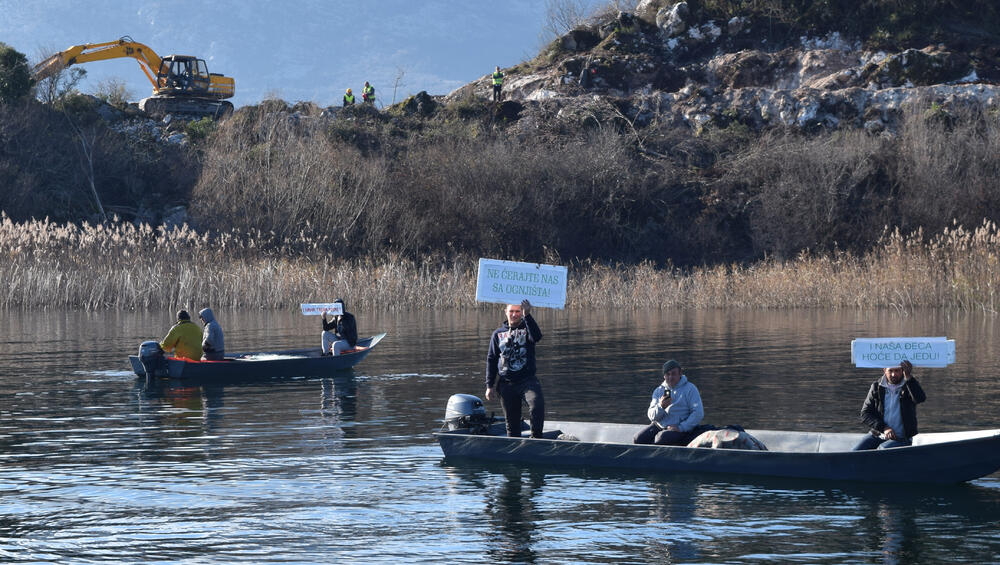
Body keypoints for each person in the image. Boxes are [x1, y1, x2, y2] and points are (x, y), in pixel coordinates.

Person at [485, 300, 544, 438]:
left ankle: (536, 439)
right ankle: (515, 449)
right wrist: (489, 385)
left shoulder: (527, 328)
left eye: (518, 311)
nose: (514, 314)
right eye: (511, 311)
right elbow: (492, 359)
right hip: (506, 384)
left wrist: (528, 315)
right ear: (506, 312)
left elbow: (536, 336)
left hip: (527, 381)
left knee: (537, 406)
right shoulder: (497, 334)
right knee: (512, 423)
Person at [854, 360, 926, 450]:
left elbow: (920, 398)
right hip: (877, 434)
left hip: (902, 438)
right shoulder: (876, 387)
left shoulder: (909, 385)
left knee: (882, 450)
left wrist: (908, 377)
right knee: (855, 452)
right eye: (890, 371)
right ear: (884, 370)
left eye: (897, 371)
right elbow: (865, 414)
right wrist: (884, 428)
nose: (893, 374)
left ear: (902, 370)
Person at [633, 359, 705, 446]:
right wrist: (661, 406)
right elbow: (651, 416)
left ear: (680, 373)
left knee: (661, 438)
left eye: (674, 374)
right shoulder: (659, 391)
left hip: (679, 427)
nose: (671, 377)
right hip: (660, 426)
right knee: (638, 439)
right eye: (668, 374)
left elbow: (698, 413)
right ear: (664, 376)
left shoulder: (690, 389)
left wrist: (681, 427)